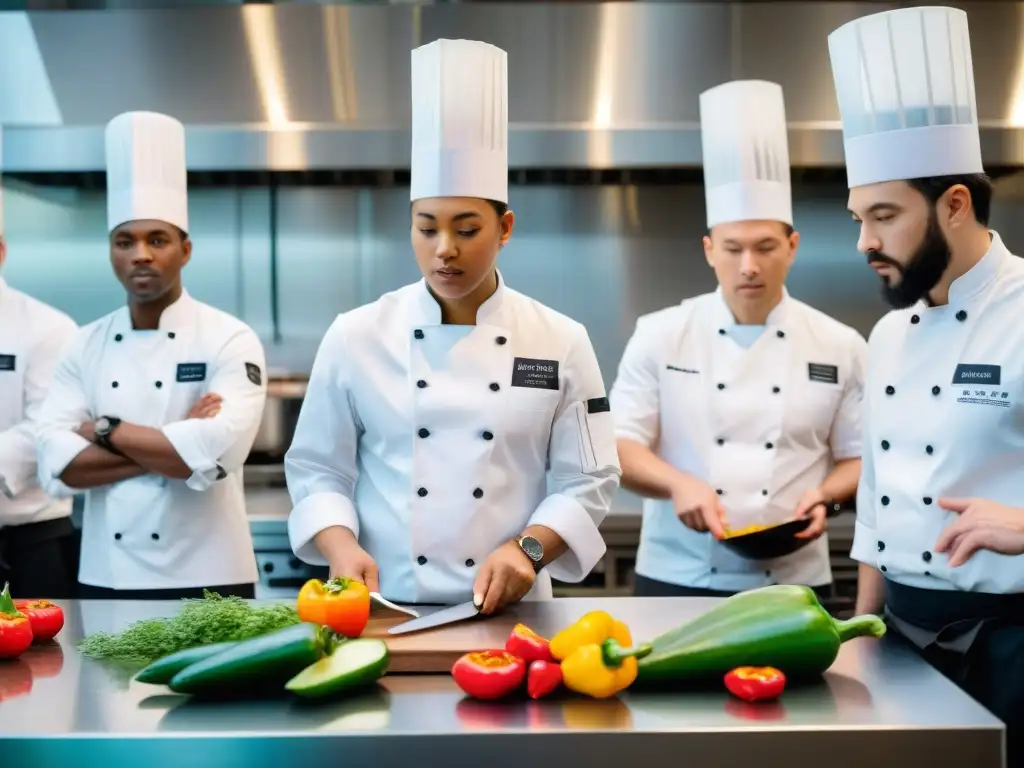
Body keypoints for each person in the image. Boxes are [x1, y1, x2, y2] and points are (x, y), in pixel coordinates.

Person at [285, 38, 620, 614]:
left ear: (505, 227)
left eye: (467, 229)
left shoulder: (560, 340)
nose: (444, 251)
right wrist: (339, 547)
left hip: (513, 612)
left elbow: (589, 478)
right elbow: (318, 467)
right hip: (383, 606)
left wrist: (529, 550)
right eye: (426, 228)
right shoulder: (355, 335)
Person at [829, 6, 1024, 763]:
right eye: (856, 217)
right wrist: (859, 636)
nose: (864, 242)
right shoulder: (888, 332)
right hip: (896, 643)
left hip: (1009, 648)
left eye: (883, 215)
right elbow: (878, 510)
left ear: (954, 203)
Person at [609, 79, 867, 600]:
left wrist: (827, 496)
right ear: (709, 249)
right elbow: (616, 445)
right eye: (732, 248)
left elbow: (862, 456)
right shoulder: (661, 334)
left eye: (766, 247)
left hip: (796, 583)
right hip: (678, 576)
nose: (749, 265)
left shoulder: (841, 345)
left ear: (792, 246)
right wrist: (678, 485)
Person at [35, 111, 268, 600]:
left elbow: (219, 452)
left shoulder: (229, 337)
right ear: (111, 252)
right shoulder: (85, 342)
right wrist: (179, 446)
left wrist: (104, 430)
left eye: (156, 240)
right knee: (105, 681)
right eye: (126, 241)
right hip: (109, 575)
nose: (140, 254)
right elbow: (59, 464)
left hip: (213, 577)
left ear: (184, 250)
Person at [0, 127, 80, 599]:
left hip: (29, 541)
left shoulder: (49, 328)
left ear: (2, 251)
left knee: (42, 668)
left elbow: (47, 425)